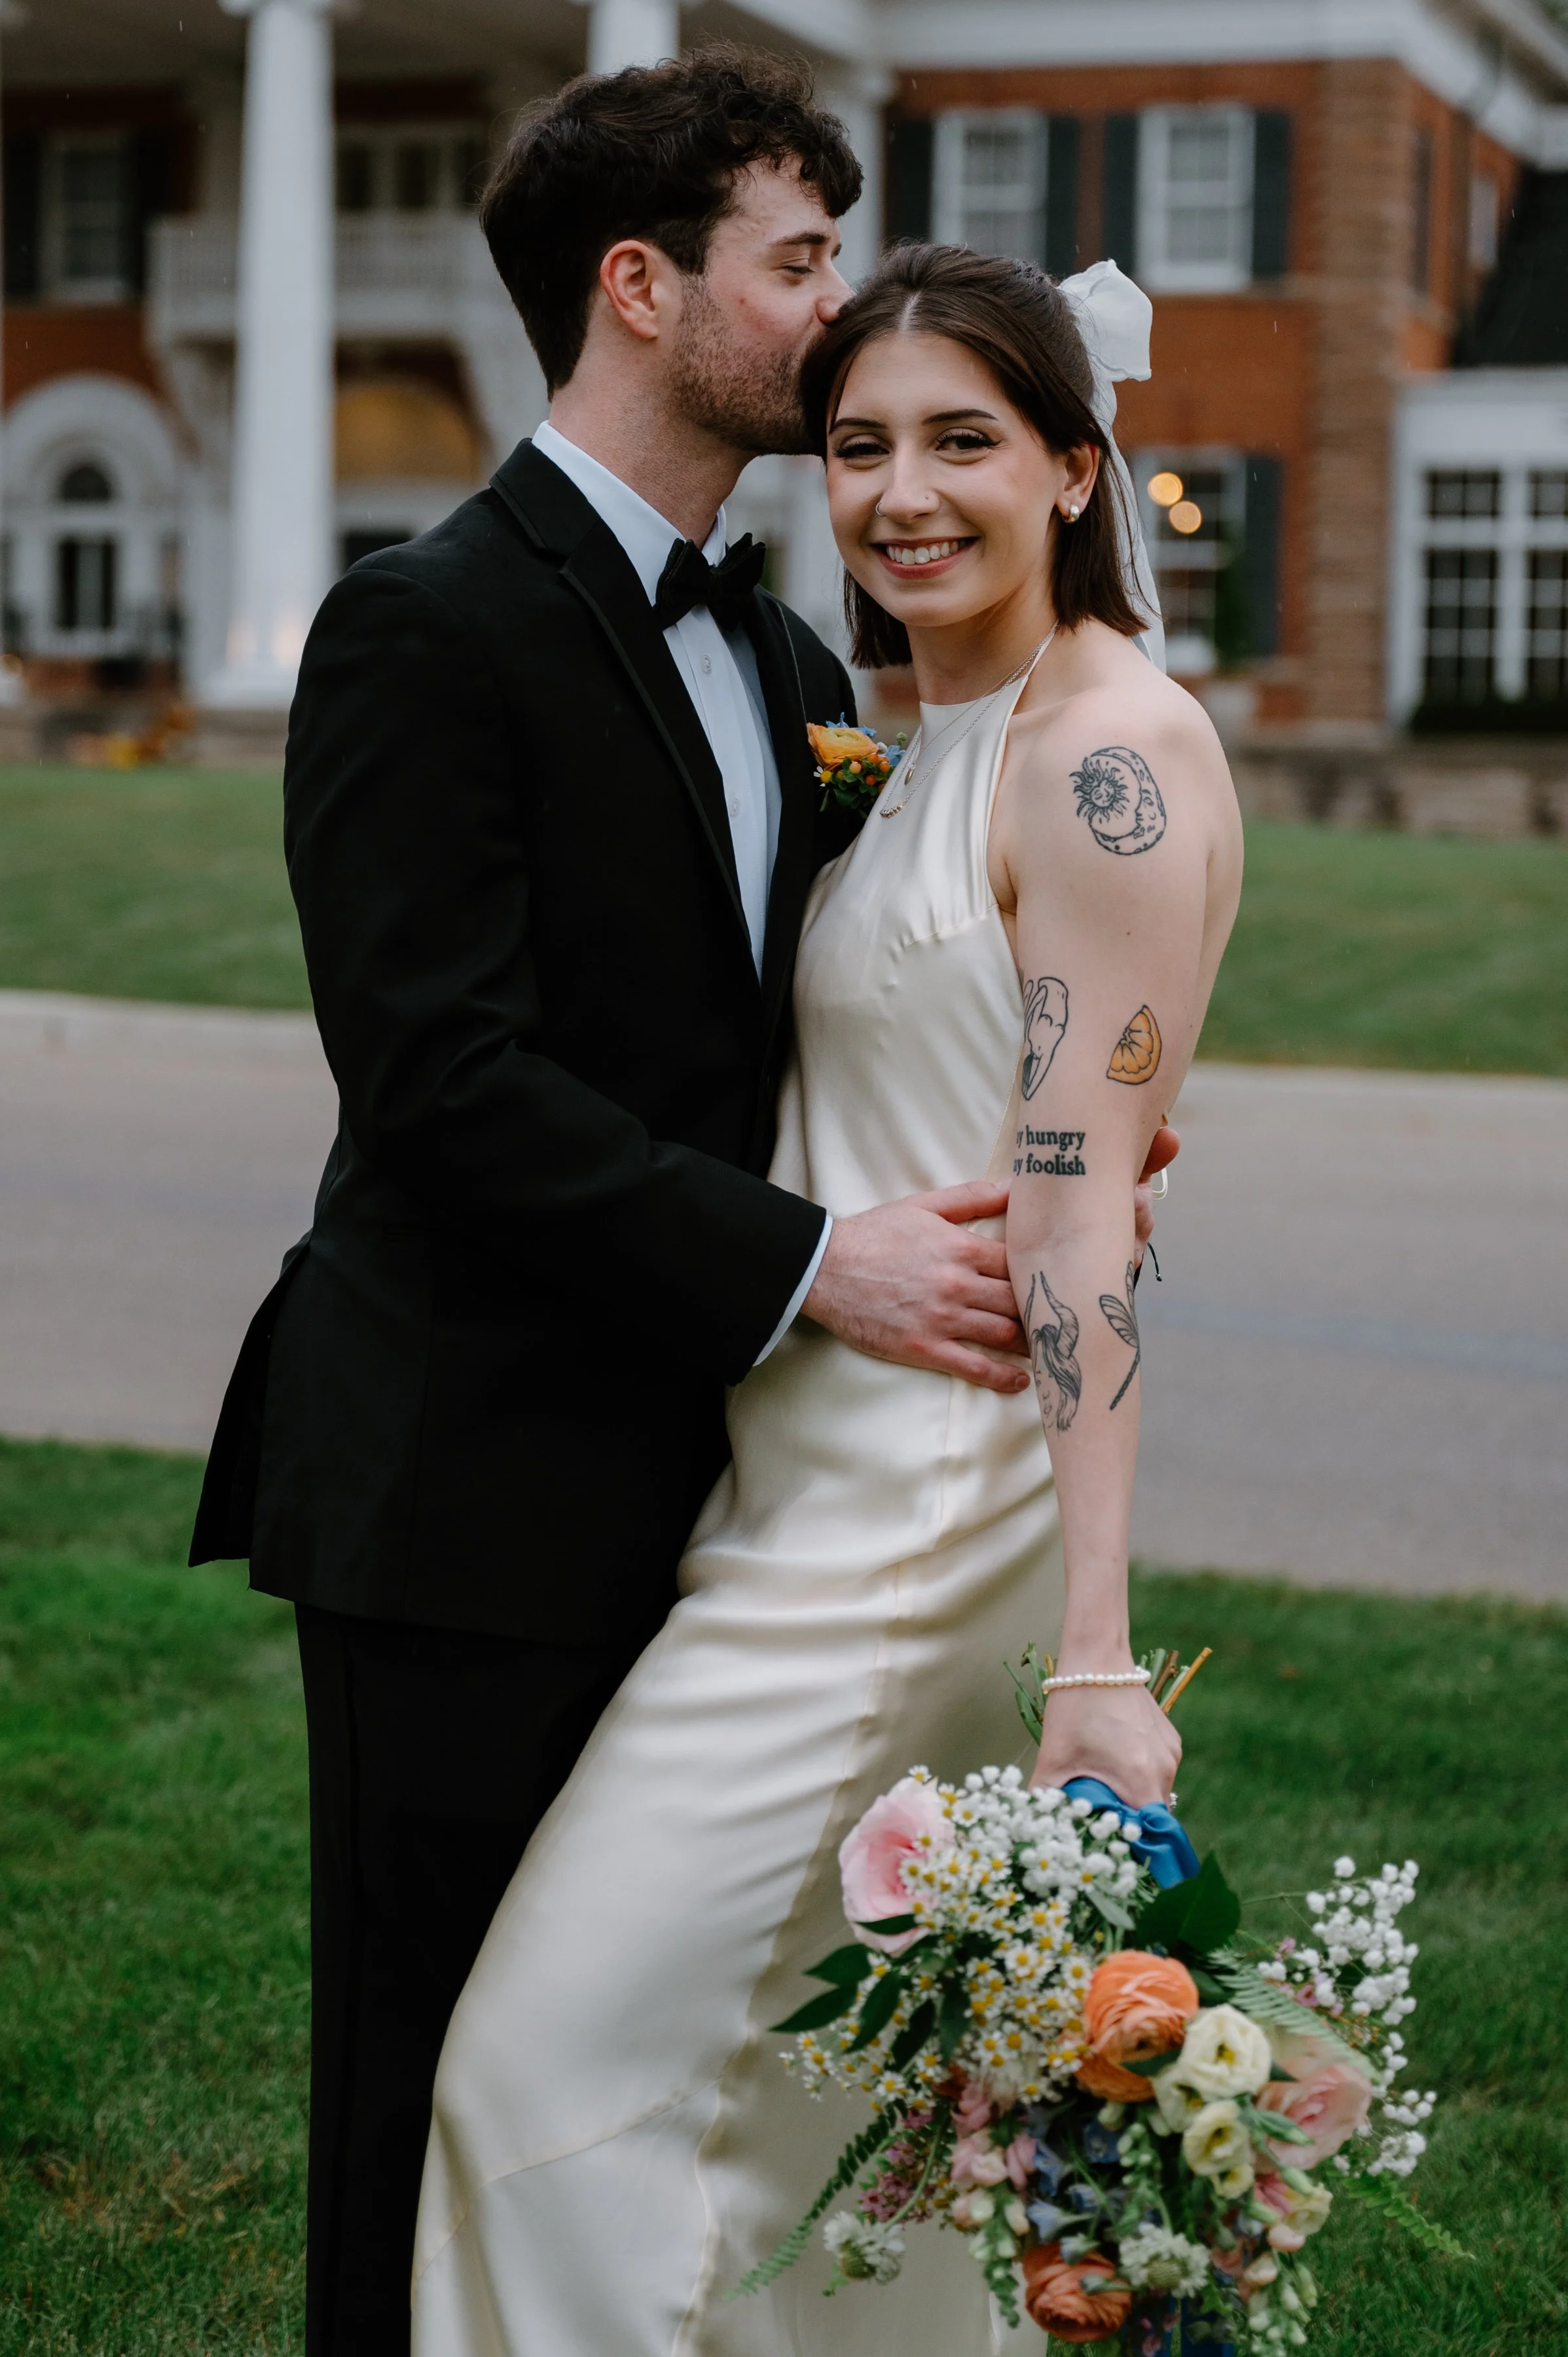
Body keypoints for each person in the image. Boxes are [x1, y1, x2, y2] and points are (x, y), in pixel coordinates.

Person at [188, 50, 1163, 2357]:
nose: (838, 320)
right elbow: (439, 1082)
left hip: (734, 1499)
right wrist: (817, 1262)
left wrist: (1071, 1111)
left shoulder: (793, 650)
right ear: (640, 288)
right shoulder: (424, 623)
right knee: (438, 2081)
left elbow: (843, 1001)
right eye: (798, 263)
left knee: (690, 2081)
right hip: (463, 1482)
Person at [410, 243, 1241, 2353]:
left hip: (909, 1525)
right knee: (830, 2106)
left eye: (966, 440)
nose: (901, 493)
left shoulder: (1106, 761)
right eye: (861, 443)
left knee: (536, 2065)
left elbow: (1077, 1230)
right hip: (791, 1478)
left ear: (1079, 467)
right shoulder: (937, 738)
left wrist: (1095, 1653)